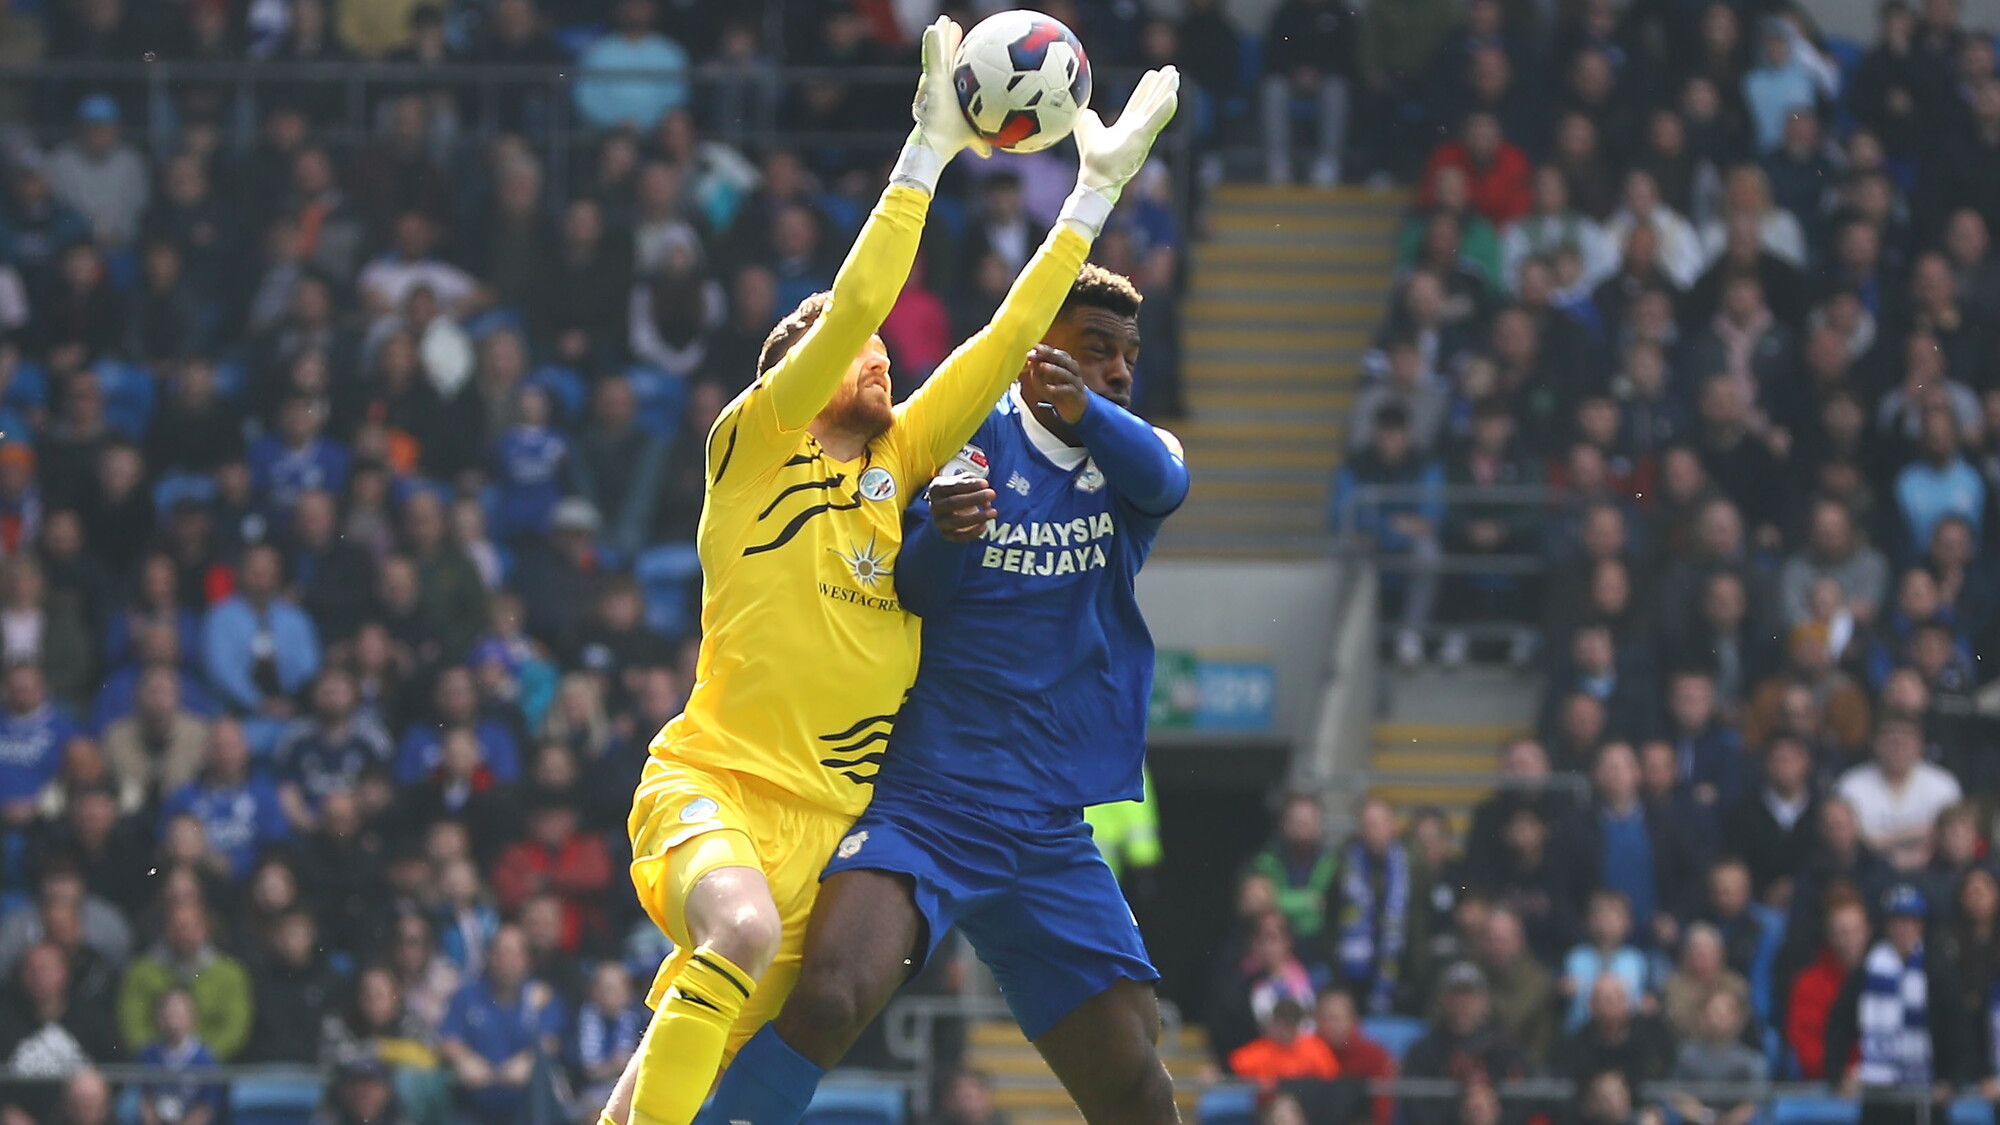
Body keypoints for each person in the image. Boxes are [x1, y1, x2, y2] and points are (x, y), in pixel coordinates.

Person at [601, 27, 1178, 1125]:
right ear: (793, 372)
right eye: (850, 348)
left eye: (881, 353)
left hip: (830, 822)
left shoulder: (897, 464)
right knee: (741, 938)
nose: (878, 355)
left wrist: (1091, 197)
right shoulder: (755, 444)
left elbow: (1009, 339)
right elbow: (860, 300)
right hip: (720, 781)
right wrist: (927, 151)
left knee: (707, 1033)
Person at [696, 267, 1189, 1120]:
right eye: (1094, 349)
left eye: (1127, 358)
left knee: (1137, 1076)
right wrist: (952, 537)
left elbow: (1166, 485)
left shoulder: (1130, 454)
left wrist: (1085, 407)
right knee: (831, 996)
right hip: (927, 802)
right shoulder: (967, 433)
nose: (1116, 370)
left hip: (1047, 823)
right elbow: (917, 590)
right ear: (1037, 352)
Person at [1827, 885, 1964, 1125]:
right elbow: (1840, 1023)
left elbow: (1957, 1026)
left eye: (1911, 921)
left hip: (1927, 1093)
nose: (1904, 929)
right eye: (1898, 921)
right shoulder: (1867, 969)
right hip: (1878, 1095)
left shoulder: (1937, 970)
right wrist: (1837, 1073)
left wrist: (1952, 1080)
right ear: (1887, 926)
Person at [1837, 719, 1964, 872]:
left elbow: (1953, 835)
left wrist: (1883, 840)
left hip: (1934, 870)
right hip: (1864, 871)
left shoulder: (1943, 784)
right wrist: (1915, 834)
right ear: (1875, 744)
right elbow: (1847, 838)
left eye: (1906, 741)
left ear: (1920, 745)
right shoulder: (1850, 784)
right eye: (1891, 741)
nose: (1898, 748)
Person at [1788, 891, 1871, 1081]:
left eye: (1855, 931)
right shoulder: (1808, 984)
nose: (1850, 940)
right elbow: (1805, 1044)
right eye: (1842, 933)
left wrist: (1868, 1073)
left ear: (1867, 932)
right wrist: (1840, 1073)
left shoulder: (1886, 977)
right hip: (1825, 1082)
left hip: (1880, 1083)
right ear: (1829, 936)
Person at [1562, 891, 1649, 1033]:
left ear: (1627, 923)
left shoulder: (1636, 960)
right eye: (1600, 917)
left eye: (1613, 918)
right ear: (1588, 922)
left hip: (1625, 1033)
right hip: (1581, 1032)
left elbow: (1639, 1002)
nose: (1606, 924)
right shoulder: (1576, 958)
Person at [1228, 996, 1341, 1087]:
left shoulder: (1315, 1048)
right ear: (1273, 1023)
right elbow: (1237, 1076)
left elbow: (1331, 1079)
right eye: (1283, 1024)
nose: (1287, 1030)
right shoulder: (1254, 1054)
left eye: (1292, 1024)